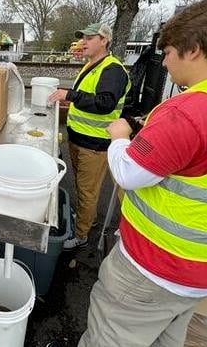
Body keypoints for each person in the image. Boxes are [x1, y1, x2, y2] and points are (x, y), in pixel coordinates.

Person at [80, 0, 207, 346]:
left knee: (110, 335)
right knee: (166, 337)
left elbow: (128, 173)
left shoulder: (189, 110)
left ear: (194, 49)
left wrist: (121, 138)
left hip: (158, 263)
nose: (166, 64)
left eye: (169, 53)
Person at [48, 23, 130, 250]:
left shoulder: (112, 70)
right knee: (83, 186)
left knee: (87, 190)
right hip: (80, 139)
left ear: (104, 40)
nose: (83, 42)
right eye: (83, 37)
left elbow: (105, 103)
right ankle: (87, 218)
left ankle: (82, 234)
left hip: (94, 145)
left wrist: (69, 95)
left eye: (90, 38)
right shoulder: (92, 66)